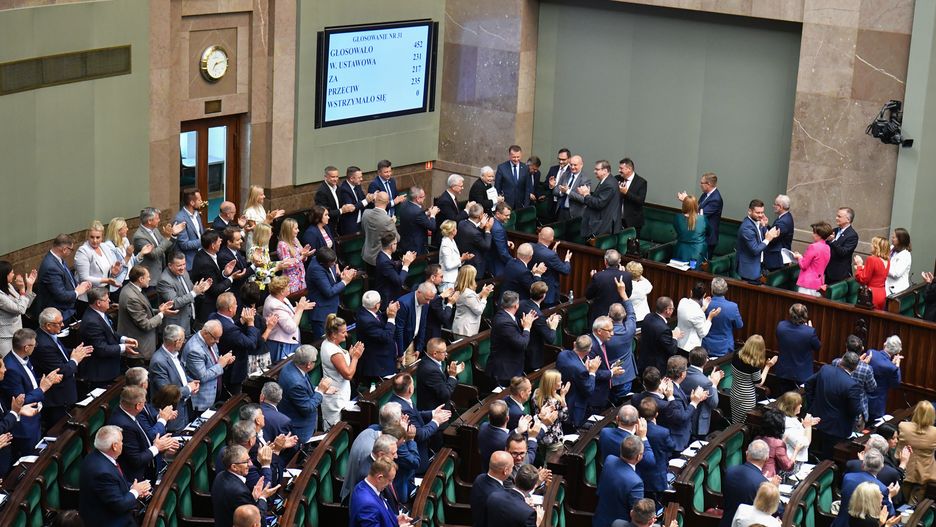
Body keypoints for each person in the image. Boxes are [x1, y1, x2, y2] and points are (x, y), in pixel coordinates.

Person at [1, 329, 61, 461]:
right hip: (24, 425)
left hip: (34, 418)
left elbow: (29, 383)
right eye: (34, 345)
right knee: (30, 461)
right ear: (26, 348)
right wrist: (42, 388)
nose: (36, 347)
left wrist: (47, 381)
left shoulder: (24, 358)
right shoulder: (11, 368)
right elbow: (20, 401)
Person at [79, 426, 152, 526]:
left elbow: (116, 483)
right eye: (121, 441)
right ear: (114, 446)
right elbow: (120, 505)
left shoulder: (95, 456)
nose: (123, 443)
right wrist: (135, 492)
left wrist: (134, 488)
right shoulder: (103, 473)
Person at [32, 308, 91, 429]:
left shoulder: (49, 335)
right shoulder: (43, 344)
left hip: (64, 393)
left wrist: (75, 352)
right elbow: (61, 371)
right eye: (59, 323)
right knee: (59, 428)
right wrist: (75, 359)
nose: (63, 325)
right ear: (48, 325)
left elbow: (60, 353)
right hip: (56, 398)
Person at [107, 385, 179, 483]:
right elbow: (136, 460)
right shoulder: (125, 426)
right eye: (144, 403)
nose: (145, 405)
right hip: (137, 479)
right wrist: (157, 447)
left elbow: (144, 438)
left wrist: (162, 444)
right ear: (138, 406)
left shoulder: (125, 411)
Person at [805, 352, 864, 460]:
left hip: (816, 420)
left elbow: (808, 384)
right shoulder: (852, 385)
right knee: (828, 459)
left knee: (813, 451)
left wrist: (811, 405)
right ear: (855, 367)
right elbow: (855, 410)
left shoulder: (825, 369)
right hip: (836, 429)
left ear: (841, 360)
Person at [389, 373, 451, 473]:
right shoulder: (403, 408)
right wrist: (436, 421)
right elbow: (420, 434)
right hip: (416, 456)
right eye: (412, 384)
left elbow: (416, 415)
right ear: (410, 389)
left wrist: (433, 413)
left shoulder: (400, 399)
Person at [81, 286, 140, 384]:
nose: (109, 300)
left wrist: (124, 339)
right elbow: (102, 349)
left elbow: (110, 332)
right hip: (101, 372)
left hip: (110, 367)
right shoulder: (92, 322)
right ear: (98, 303)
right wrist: (124, 347)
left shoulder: (100, 313)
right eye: (106, 299)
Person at [278, 345, 334, 442]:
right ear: (308, 364)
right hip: (299, 428)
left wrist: (318, 389)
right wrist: (320, 391)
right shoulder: (296, 383)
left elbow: (304, 388)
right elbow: (307, 408)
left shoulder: (292, 365)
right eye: (314, 361)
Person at [209, 292, 261, 397]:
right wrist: (251, 322)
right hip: (232, 372)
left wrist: (242, 321)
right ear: (230, 309)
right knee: (234, 399)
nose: (237, 306)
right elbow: (251, 343)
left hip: (222, 366)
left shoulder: (213, 316)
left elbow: (231, 328)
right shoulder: (229, 329)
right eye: (235, 304)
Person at [149, 325, 199, 432]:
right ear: (176, 342)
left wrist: (191, 383)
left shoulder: (174, 354)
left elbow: (180, 376)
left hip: (184, 409)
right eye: (183, 340)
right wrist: (188, 388)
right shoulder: (159, 361)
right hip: (172, 415)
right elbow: (167, 392)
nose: (184, 342)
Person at [120, 265, 175, 362]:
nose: (150, 279)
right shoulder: (132, 297)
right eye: (148, 277)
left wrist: (159, 310)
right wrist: (161, 314)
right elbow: (146, 325)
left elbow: (143, 310)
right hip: (140, 348)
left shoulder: (131, 288)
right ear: (141, 279)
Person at [556, 334, 614, 427]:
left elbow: (574, 372)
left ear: (574, 344)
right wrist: (592, 372)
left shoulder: (562, 354)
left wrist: (584, 367)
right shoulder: (580, 370)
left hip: (562, 395)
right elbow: (589, 390)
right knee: (576, 428)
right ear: (588, 350)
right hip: (575, 404)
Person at [212, 444, 276, 527]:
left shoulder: (220, 476)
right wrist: (262, 498)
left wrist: (253, 498)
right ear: (234, 467)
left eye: (249, 459)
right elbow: (256, 522)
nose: (250, 464)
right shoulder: (239, 492)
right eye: (246, 462)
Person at [320, 314, 364, 430]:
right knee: (335, 431)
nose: (346, 334)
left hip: (339, 394)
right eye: (343, 332)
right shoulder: (334, 352)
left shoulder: (329, 343)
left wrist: (350, 356)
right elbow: (348, 375)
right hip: (335, 399)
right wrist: (355, 358)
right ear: (334, 334)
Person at [833, 450, 897, 527]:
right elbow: (891, 515)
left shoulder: (848, 477)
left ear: (863, 465)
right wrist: (889, 496)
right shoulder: (882, 488)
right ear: (882, 467)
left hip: (840, 523)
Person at [720, 440, 776, 527]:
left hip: (726, 522)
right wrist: (772, 487)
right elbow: (775, 510)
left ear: (747, 454)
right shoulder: (763, 484)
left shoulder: (729, 471)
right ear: (766, 458)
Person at [36, 234, 91, 322]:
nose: (71, 252)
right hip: (58, 315)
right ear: (65, 249)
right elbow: (61, 295)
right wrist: (78, 291)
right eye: (71, 250)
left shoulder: (58, 259)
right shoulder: (51, 267)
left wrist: (80, 286)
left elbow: (68, 279)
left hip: (66, 310)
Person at [486, 291, 536, 387]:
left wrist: (524, 325)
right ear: (516, 305)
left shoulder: (506, 316)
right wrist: (527, 328)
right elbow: (522, 344)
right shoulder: (504, 322)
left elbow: (514, 333)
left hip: (512, 367)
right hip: (504, 372)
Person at [183, 320, 235, 411]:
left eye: (219, 338)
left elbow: (214, 363)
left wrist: (225, 362)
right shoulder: (194, 350)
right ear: (205, 333)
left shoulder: (210, 340)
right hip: (202, 400)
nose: (217, 341)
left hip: (214, 394)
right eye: (215, 338)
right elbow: (202, 377)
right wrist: (221, 365)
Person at [594, 434, 645, 527]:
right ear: (638, 456)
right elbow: (637, 514)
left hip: (600, 518)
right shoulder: (636, 483)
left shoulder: (609, 459)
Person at [305, 247, 356, 339]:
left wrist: (341, 276)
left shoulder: (326, 260)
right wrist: (345, 281)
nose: (334, 265)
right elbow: (329, 291)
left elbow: (332, 280)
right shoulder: (316, 269)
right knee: (324, 342)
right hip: (321, 315)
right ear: (323, 263)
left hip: (331, 309)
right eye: (332, 263)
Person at [157, 252, 211, 336]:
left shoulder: (184, 272)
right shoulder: (164, 281)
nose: (182, 268)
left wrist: (201, 289)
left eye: (184, 264)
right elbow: (175, 303)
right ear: (170, 265)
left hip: (189, 318)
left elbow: (190, 289)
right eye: (179, 265)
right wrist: (195, 292)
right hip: (176, 325)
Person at [262, 276, 314, 362]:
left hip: (288, 341)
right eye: (288, 286)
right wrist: (300, 309)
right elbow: (291, 328)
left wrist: (299, 308)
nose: (290, 287)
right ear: (282, 292)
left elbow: (286, 313)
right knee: (283, 367)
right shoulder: (274, 305)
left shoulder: (282, 298)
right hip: (282, 345)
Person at [772, 303, 821, 393]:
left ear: (791, 313)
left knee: (781, 398)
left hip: (783, 372)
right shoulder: (810, 332)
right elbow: (817, 346)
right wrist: (809, 329)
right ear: (805, 315)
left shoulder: (781, 326)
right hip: (801, 375)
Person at [350, 458, 412, 527]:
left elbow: (381, 513)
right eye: (389, 480)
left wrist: (396, 519)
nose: (390, 484)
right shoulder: (368, 505)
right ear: (380, 478)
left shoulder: (362, 486)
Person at [356, 290, 401, 384]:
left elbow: (377, 319)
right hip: (378, 365)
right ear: (376, 306)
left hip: (383, 358)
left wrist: (387, 313)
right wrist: (391, 318)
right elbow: (386, 337)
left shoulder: (366, 311)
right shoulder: (367, 321)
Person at [637, 397, 676, 503]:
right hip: (657, 476)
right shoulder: (663, 432)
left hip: (639, 473)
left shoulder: (635, 429)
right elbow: (671, 446)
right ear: (656, 414)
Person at [569, 159, 621, 239]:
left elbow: (599, 203)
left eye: (597, 169)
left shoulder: (609, 184)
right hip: (601, 222)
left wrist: (586, 194)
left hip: (603, 225)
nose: (594, 171)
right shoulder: (606, 181)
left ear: (605, 171)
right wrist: (587, 194)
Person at [730, 335, 776, 425]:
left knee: (735, 422)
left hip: (734, 393)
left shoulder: (736, 353)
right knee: (744, 425)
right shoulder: (754, 364)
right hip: (746, 398)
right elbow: (759, 383)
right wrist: (768, 366)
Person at [897, 401, 936, 504]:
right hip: (925, 473)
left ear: (916, 412)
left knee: (901, 500)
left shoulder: (903, 426)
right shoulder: (935, 432)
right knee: (914, 504)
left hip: (905, 470)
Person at [832, 336, 878, 423]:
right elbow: (872, 388)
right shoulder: (866, 369)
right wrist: (865, 365)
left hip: (837, 407)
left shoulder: (835, 362)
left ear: (846, 348)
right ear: (862, 349)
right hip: (857, 412)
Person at [680, 347, 723, 439]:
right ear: (706, 361)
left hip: (682, 416)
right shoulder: (706, 382)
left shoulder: (682, 374)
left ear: (689, 359)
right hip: (697, 423)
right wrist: (714, 384)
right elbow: (714, 403)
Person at [74, 220, 122, 302]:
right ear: (87, 237)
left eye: (98, 237)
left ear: (102, 237)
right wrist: (106, 280)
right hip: (89, 296)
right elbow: (84, 278)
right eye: (92, 237)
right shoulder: (83, 251)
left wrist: (113, 272)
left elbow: (107, 271)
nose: (95, 240)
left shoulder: (104, 247)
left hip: (104, 291)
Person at [133, 207, 184, 281]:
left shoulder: (155, 230)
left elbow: (165, 248)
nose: (159, 220)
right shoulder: (139, 237)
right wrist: (167, 238)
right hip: (150, 278)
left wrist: (173, 235)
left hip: (162, 273)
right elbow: (154, 254)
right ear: (149, 221)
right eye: (157, 218)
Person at [635, 297, 682, 377]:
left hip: (643, 360)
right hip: (656, 367)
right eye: (672, 308)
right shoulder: (664, 329)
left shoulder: (648, 316)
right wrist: (675, 337)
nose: (673, 310)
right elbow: (672, 350)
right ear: (667, 310)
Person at [520, 281, 561, 373]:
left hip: (521, 350)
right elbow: (550, 339)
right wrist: (553, 325)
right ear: (543, 296)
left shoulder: (521, 303)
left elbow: (536, 325)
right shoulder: (538, 314)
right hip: (532, 355)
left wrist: (546, 322)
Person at [736, 199, 780, 283]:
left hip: (758, 266)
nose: (760, 215)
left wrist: (766, 227)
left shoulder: (757, 222)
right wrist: (768, 239)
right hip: (749, 270)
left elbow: (762, 237)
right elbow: (755, 250)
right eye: (757, 212)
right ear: (750, 211)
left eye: (762, 212)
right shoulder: (747, 228)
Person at [103, 217, 147, 297]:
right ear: (118, 230)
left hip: (131, 279)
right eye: (125, 227)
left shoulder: (125, 240)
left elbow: (132, 262)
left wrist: (142, 253)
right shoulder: (108, 246)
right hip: (119, 283)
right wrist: (127, 256)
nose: (127, 229)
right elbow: (115, 271)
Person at [586, 249, 632, 325]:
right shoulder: (627, 276)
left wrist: (593, 279)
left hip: (600, 317)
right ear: (619, 261)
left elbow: (588, 295)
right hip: (619, 316)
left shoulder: (598, 276)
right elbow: (628, 295)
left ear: (605, 261)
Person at [776, 391, 819, 473]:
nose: (801, 406)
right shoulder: (788, 424)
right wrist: (808, 426)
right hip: (790, 463)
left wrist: (803, 426)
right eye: (799, 404)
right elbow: (804, 444)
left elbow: (797, 433)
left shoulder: (788, 419)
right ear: (792, 407)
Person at [530, 369, 569, 457]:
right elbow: (564, 417)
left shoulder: (536, 393)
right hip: (554, 439)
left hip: (541, 436)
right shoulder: (554, 401)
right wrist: (563, 396)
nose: (561, 382)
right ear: (552, 384)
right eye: (559, 381)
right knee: (552, 464)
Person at [417, 337, 463, 412]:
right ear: (435, 353)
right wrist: (452, 376)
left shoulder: (428, 361)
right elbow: (445, 394)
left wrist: (451, 373)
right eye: (444, 352)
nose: (446, 354)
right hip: (436, 413)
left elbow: (440, 382)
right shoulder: (430, 370)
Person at [0, 262, 36, 356]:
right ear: (4, 275)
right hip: (6, 339)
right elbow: (20, 309)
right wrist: (22, 290)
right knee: (9, 363)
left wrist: (29, 286)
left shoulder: (9, 286)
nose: (13, 274)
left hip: (18, 335)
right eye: (11, 272)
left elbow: (25, 305)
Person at [240, 282, 276, 375]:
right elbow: (260, 341)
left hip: (244, 356)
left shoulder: (240, 311)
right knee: (258, 380)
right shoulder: (254, 317)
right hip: (256, 357)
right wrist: (269, 328)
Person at [530, 227, 571, 307]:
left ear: (539, 235)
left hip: (533, 290)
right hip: (548, 294)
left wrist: (551, 252)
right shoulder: (551, 255)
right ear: (552, 239)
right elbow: (565, 270)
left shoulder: (530, 246)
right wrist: (567, 260)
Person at [395, 281, 436, 360]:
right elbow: (399, 329)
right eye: (427, 299)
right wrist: (400, 352)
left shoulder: (425, 303)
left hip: (412, 342)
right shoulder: (404, 303)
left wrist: (419, 347)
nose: (428, 302)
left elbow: (422, 325)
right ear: (419, 292)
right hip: (400, 343)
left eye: (430, 300)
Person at [702, 277, 743, 358]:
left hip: (705, 346)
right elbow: (739, 325)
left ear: (712, 290)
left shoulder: (705, 304)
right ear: (726, 290)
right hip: (725, 349)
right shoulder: (732, 307)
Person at [675, 281, 720, 352]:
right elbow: (703, 333)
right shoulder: (698, 313)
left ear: (691, 292)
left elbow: (692, 316)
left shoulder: (682, 301)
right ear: (704, 295)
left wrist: (703, 308)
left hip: (678, 342)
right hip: (689, 348)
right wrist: (710, 317)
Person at [471, 451, 512, 527]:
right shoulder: (499, 496)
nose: (512, 470)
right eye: (512, 467)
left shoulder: (480, 478)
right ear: (505, 471)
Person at [451, 265, 494, 338]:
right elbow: (479, 310)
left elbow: (471, 301)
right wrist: (484, 297)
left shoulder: (462, 289)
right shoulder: (468, 294)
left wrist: (481, 293)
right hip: (465, 331)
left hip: (462, 328)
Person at [866, 336, 902, 422]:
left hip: (862, 398)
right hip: (877, 405)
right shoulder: (891, 367)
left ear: (884, 344)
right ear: (896, 352)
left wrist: (891, 364)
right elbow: (896, 383)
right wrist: (897, 365)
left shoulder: (870, 353)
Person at [754, 409, 799, 478]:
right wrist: (796, 451)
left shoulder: (757, 438)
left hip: (754, 474)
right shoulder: (778, 444)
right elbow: (788, 467)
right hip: (768, 478)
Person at [792, 221, 833, 296]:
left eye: (814, 233)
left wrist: (799, 257)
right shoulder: (827, 247)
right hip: (818, 283)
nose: (812, 234)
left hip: (808, 283)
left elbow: (803, 265)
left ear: (819, 235)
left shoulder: (813, 247)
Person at [375, 233, 416, 307]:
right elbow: (399, 281)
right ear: (392, 245)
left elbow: (392, 266)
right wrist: (406, 264)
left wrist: (403, 261)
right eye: (396, 243)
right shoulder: (384, 261)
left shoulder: (383, 255)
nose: (397, 245)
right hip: (388, 298)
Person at [606, 301, 637, 396]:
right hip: (625, 376)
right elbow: (631, 313)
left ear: (609, 315)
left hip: (607, 376)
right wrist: (625, 298)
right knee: (623, 402)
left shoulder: (603, 335)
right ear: (624, 315)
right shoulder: (629, 330)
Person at [455, 203, 494, 278]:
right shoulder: (475, 233)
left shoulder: (461, 223)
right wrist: (487, 230)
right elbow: (486, 246)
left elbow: (472, 237)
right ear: (480, 216)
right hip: (475, 265)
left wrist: (480, 227)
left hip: (464, 261)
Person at [434, 174, 473, 246]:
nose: (463, 188)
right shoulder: (444, 201)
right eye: (461, 186)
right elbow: (453, 219)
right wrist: (467, 210)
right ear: (453, 187)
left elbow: (455, 207)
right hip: (445, 237)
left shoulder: (451, 196)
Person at [361, 191, 399, 267]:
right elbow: (397, 238)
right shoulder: (388, 220)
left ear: (375, 200)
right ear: (387, 202)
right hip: (380, 259)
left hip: (367, 256)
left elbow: (364, 230)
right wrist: (393, 224)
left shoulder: (365, 213)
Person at [397, 186, 439, 255]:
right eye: (423, 196)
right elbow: (432, 227)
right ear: (417, 198)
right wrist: (433, 214)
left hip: (405, 243)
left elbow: (414, 218)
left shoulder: (404, 205)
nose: (424, 198)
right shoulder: (418, 212)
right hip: (416, 247)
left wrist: (426, 213)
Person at [277, 217, 313, 294]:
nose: (298, 230)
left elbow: (302, 260)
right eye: (296, 229)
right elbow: (287, 265)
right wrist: (301, 257)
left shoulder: (295, 240)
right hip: (291, 282)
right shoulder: (282, 244)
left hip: (301, 280)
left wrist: (304, 254)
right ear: (289, 230)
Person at [242, 185, 285, 249]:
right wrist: (268, 219)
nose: (264, 196)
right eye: (262, 195)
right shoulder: (249, 212)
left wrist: (272, 217)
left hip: (264, 240)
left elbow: (264, 221)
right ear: (255, 196)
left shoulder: (260, 206)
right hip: (255, 244)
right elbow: (256, 230)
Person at [854, 236, 890, 310]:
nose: (871, 246)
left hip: (871, 294)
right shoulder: (887, 261)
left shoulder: (872, 259)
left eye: (872, 244)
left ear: (876, 247)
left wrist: (859, 265)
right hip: (882, 293)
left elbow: (863, 279)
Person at [826, 206, 859, 284]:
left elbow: (843, 252)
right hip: (827, 272)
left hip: (839, 275)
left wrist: (833, 241)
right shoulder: (834, 230)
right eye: (837, 216)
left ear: (848, 220)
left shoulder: (852, 235)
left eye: (839, 216)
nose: (836, 218)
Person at [173, 189, 205, 270]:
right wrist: (204, 240)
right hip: (190, 262)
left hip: (201, 258)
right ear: (192, 203)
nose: (201, 202)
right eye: (199, 200)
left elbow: (199, 233)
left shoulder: (197, 214)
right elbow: (184, 244)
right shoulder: (180, 219)